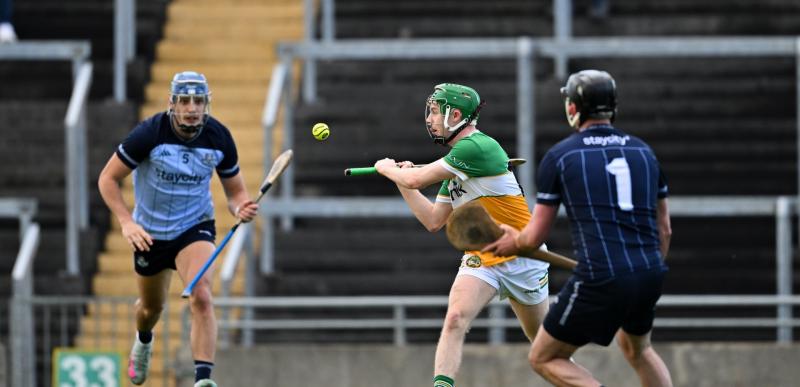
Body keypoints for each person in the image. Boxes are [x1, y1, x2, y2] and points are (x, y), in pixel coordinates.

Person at [484, 69, 673, 387]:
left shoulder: (561, 155)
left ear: (572, 107)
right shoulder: (644, 152)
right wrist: (646, 271)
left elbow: (534, 238)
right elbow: (664, 229)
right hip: (650, 271)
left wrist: (514, 242)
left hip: (600, 276)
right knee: (638, 349)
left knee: (543, 357)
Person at [374, 83, 550, 387]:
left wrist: (387, 168)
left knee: (544, 349)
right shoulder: (457, 167)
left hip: (523, 255)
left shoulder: (476, 148)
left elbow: (416, 179)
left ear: (454, 115)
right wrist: (401, 180)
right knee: (455, 319)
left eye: (434, 111)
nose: (429, 119)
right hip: (483, 257)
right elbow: (433, 220)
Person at [98, 71, 258, 387]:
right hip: (150, 234)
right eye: (185, 100)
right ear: (172, 102)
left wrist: (241, 207)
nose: (192, 108)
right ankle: (143, 340)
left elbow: (236, 193)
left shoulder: (219, 137)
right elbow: (107, 179)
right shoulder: (149, 134)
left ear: (206, 103)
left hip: (194, 226)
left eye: (198, 101)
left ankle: (203, 379)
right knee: (150, 309)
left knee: (202, 295)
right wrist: (127, 222)